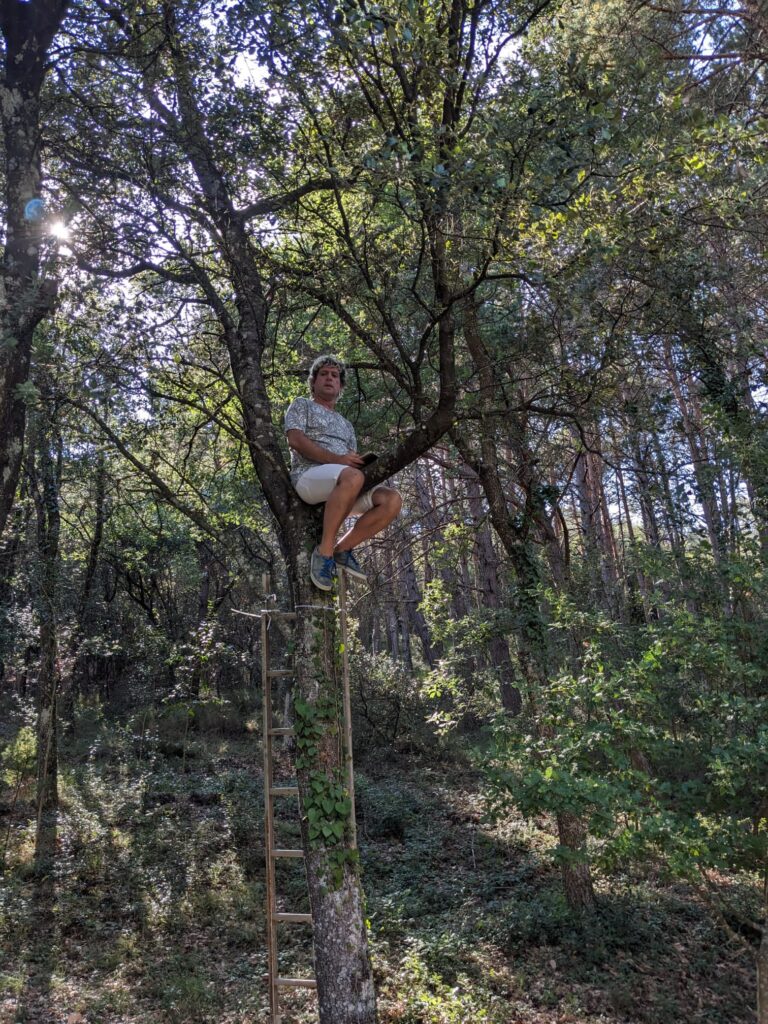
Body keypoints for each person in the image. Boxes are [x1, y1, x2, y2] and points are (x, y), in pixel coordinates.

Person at [285, 355, 402, 591]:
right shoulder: (302, 405)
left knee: (392, 499)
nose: (329, 378)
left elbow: (350, 460)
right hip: (308, 476)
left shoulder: (346, 425)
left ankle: (343, 549)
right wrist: (338, 460)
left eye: (335, 376)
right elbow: (295, 440)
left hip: (345, 482)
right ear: (313, 382)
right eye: (324, 374)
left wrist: (360, 462)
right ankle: (324, 552)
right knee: (352, 476)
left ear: (340, 386)